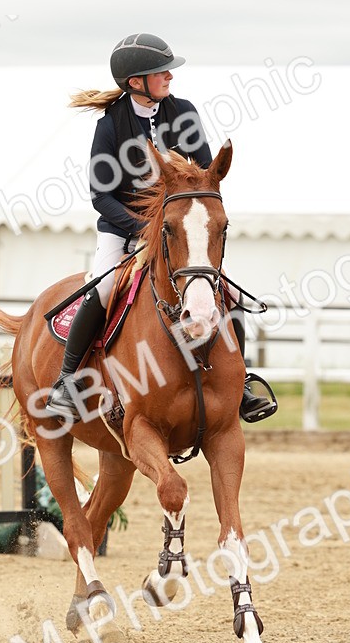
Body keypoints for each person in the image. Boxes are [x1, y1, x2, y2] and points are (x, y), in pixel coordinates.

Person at [45, 32, 274, 422]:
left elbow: (203, 176)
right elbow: (101, 197)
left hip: (180, 230)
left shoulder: (183, 111)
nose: (169, 76)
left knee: (228, 289)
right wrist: (142, 228)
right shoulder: (110, 125)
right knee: (101, 287)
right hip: (121, 230)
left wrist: (180, 224)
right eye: (160, 72)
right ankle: (68, 380)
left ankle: (243, 379)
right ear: (137, 82)